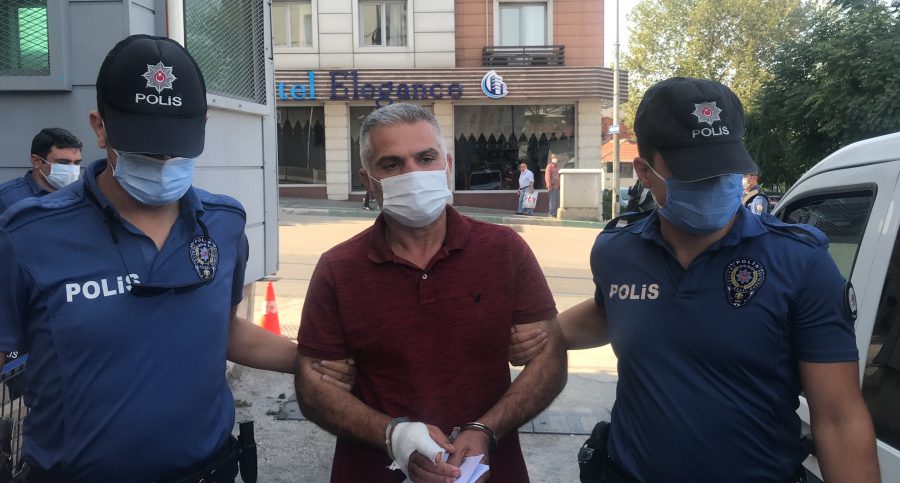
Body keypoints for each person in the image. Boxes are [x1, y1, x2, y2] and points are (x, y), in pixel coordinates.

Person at [510, 77, 880, 483]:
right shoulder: (618, 250)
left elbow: (840, 420)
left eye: (725, 168)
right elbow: (612, 310)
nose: (715, 183)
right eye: (696, 173)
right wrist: (544, 334)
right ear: (645, 172)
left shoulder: (800, 261)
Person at [0, 34, 307, 482]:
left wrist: (311, 360)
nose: (163, 162)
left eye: (176, 146)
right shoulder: (28, 235)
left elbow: (222, 329)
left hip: (211, 471)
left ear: (202, 125)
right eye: (145, 147)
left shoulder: (223, 224)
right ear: (100, 127)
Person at [294, 103, 567, 483]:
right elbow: (312, 388)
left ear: (446, 165)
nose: (413, 174)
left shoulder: (504, 250)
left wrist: (486, 429)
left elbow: (551, 361)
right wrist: (393, 435)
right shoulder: (338, 269)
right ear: (368, 180)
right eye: (392, 164)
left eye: (425, 159)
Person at [0, 128, 83, 213]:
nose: (72, 169)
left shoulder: (84, 195)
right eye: (63, 162)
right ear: (36, 161)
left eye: (77, 162)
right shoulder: (5, 198)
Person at [545, 153, 561, 217]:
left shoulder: (557, 167)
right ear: (551, 159)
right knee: (552, 201)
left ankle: (555, 213)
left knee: (557, 201)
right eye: (553, 158)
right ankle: (551, 213)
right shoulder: (549, 166)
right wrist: (549, 186)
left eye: (555, 157)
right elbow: (547, 176)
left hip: (558, 187)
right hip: (552, 187)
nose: (555, 159)